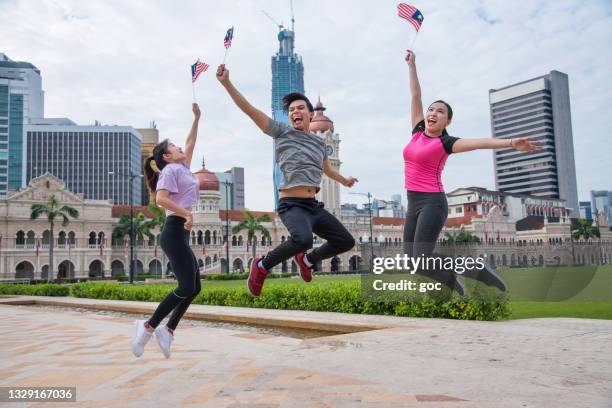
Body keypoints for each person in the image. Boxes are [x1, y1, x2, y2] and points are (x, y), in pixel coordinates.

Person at [403, 50, 542, 295]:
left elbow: (480, 142)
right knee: (413, 263)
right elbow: (416, 95)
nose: (433, 113)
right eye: (431, 110)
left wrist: (511, 142)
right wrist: (412, 65)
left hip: (432, 203)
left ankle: (479, 268)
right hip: (412, 202)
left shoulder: (446, 143)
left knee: (422, 256)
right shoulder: (417, 131)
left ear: (447, 122)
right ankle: (450, 280)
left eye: (440, 112)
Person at [216, 64, 358, 296]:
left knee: (345, 241)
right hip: (291, 204)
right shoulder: (282, 132)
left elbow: (327, 170)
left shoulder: (320, 143)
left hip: (314, 206)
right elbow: (251, 111)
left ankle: (309, 260)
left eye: (300, 108)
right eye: (292, 109)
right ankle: (262, 266)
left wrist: (345, 181)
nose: (295, 112)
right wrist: (227, 84)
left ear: (310, 114)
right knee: (302, 238)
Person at [132, 103, 201, 359]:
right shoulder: (170, 171)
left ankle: (168, 330)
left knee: (194, 288)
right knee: (186, 286)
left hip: (180, 232)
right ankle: (148, 326)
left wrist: (196, 118)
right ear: (167, 157)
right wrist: (187, 214)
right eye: (174, 147)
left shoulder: (181, 167)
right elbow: (160, 199)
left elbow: (190, 141)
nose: (180, 148)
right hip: (173, 231)